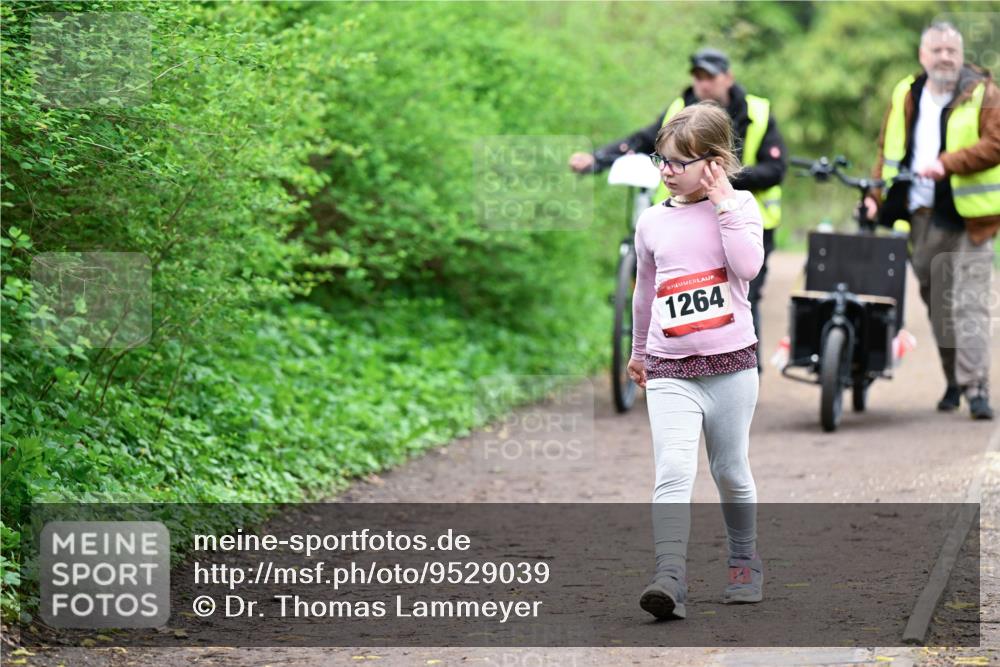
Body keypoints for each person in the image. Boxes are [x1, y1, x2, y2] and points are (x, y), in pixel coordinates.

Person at [627, 101, 764, 620]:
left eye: (677, 162)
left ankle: (744, 560)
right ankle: (669, 575)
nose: (664, 171)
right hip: (669, 368)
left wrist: (724, 202)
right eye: (659, 159)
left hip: (731, 364)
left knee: (730, 470)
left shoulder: (741, 206)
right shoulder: (650, 223)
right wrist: (639, 351)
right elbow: (645, 293)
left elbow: (747, 266)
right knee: (674, 470)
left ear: (713, 162)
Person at [569, 47, 786, 372]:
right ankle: (675, 368)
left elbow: (776, 168)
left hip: (745, 219)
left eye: (710, 77)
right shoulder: (679, 109)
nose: (703, 84)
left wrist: (722, 183)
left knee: (744, 296)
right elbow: (641, 141)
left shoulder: (759, 112)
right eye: (697, 77)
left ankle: (744, 372)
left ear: (728, 77)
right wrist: (598, 159)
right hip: (681, 218)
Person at [865, 21, 1000, 420]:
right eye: (937, 50)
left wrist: (947, 163)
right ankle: (954, 381)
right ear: (923, 56)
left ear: (961, 56)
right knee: (937, 304)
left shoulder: (983, 92)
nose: (945, 57)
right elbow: (887, 150)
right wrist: (875, 196)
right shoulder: (907, 93)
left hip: (974, 220)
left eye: (951, 51)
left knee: (968, 303)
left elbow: (996, 144)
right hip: (924, 218)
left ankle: (977, 388)